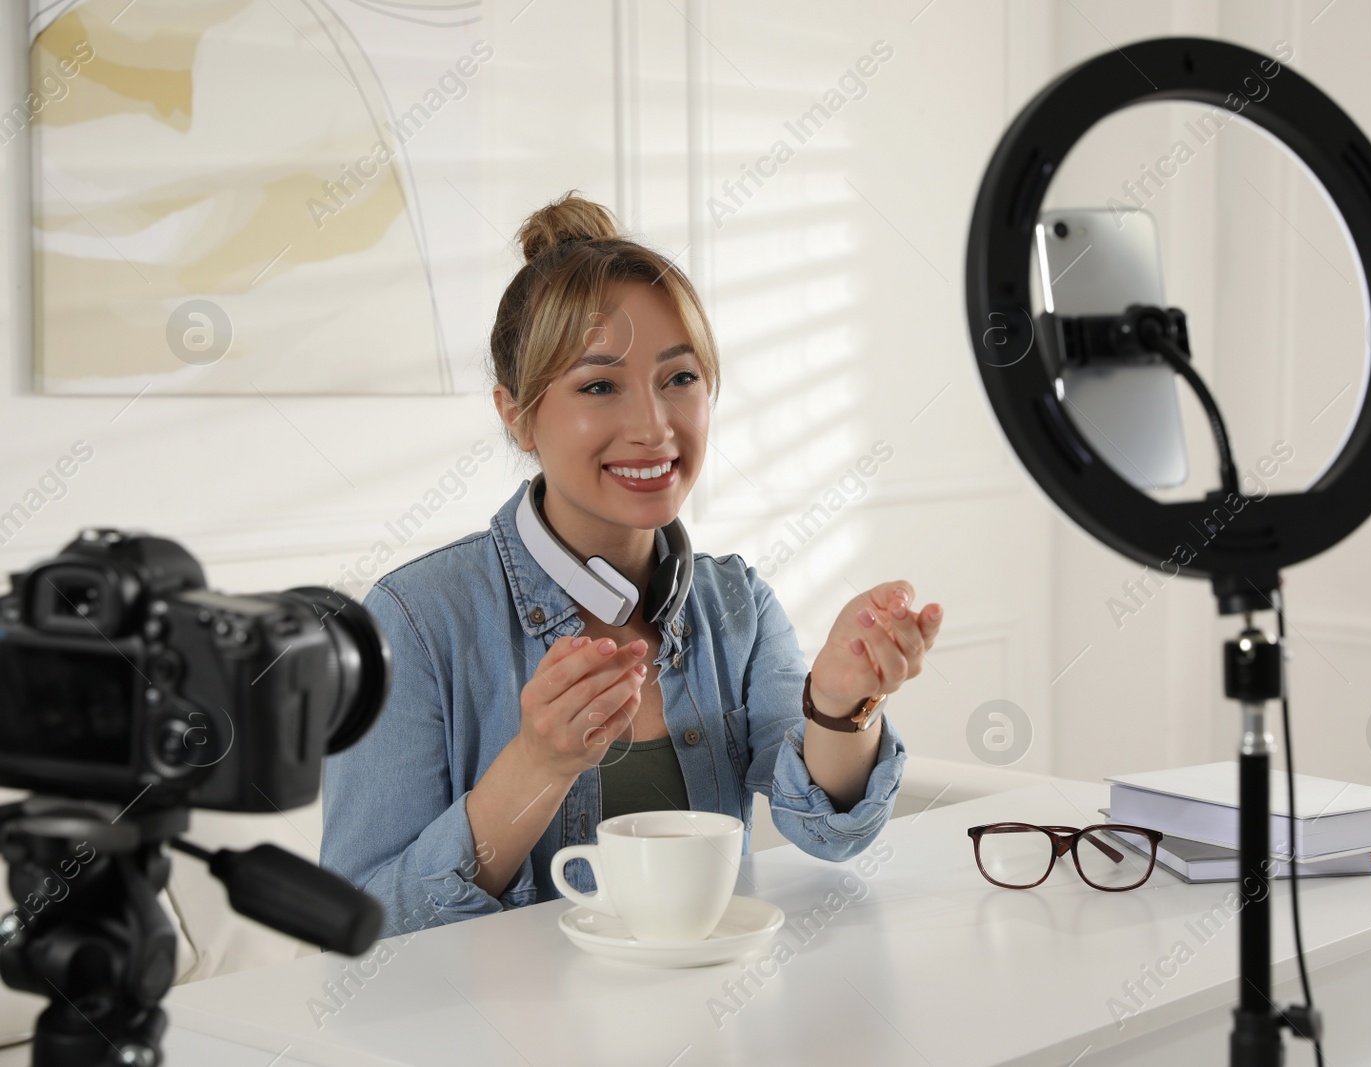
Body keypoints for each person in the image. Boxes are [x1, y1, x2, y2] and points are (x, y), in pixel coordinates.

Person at [320, 189, 943, 936]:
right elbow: (361, 926)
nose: (653, 426)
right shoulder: (414, 622)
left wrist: (840, 702)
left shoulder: (734, 605)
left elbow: (829, 829)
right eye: (599, 386)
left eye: (679, 378)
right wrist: (538, 765)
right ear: (515, 415)